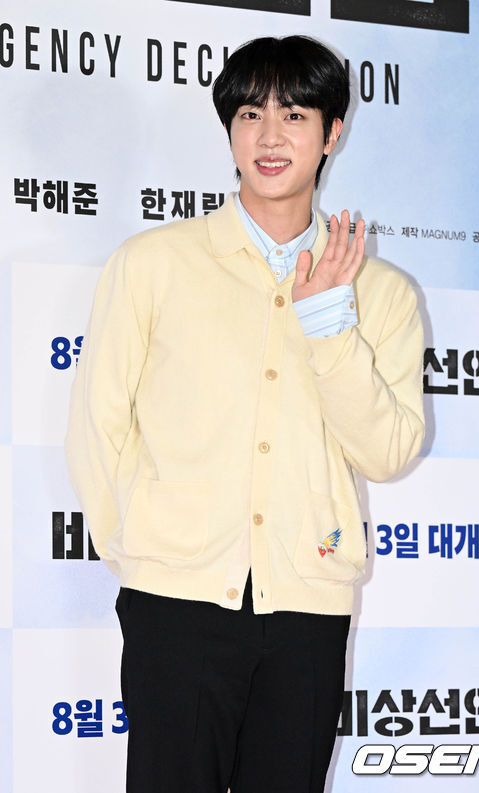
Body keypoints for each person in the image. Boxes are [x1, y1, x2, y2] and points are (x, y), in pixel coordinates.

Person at [66, 35, 424, 793]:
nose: (270, 135)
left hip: (309, 602)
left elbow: (388, 450)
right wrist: (142, 555)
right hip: (176, 601)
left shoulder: (381, 292)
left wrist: (329, 321)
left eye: (295, 114)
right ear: (229, 128)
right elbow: (98, 426)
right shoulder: (152, 264)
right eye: (251, 113)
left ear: (332, 133)